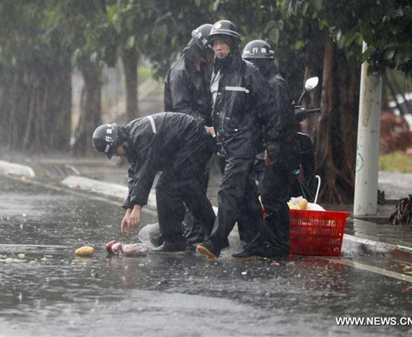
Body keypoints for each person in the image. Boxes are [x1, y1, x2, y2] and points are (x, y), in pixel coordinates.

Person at [196, 20, 281, 260]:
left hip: (244, 143)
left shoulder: (248, 72)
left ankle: (216, 241)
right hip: (224, 144)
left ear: (232, 44)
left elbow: (269, 108)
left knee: (228, 192)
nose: (219, 47)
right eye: (215, 43)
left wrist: (272, 142)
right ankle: (255, 244)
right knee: (245, 194)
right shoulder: (216, 73)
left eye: (223, 42)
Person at [92, 112, 216, 252]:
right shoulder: (131, 139)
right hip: (188, 143)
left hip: (195, 140)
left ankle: (174, 242)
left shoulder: (141, 136)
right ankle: (216, 234)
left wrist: (137, 207)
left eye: (115, 151)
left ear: (120, 141)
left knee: (166, 188)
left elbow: (146, 171)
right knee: (188, 190)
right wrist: (129, 209)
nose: (117, 155)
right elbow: (135, 176)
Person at [242, 40, 299, 258]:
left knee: (273, 199)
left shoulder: (275, 85)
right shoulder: (265, 83)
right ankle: (271, 244)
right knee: (269, 197)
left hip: (279, 153)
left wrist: (271, 147)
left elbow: (279, 121)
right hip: (272, 151)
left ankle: (279, 247)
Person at [164, 23, 214, 247]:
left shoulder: (201, 67)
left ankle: (198, 233)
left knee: (200, 185)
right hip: (185, 137)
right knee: (190, 187)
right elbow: (181, 108)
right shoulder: (180, 71)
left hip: (201, 138)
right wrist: (205, 125)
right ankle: (193, 237)